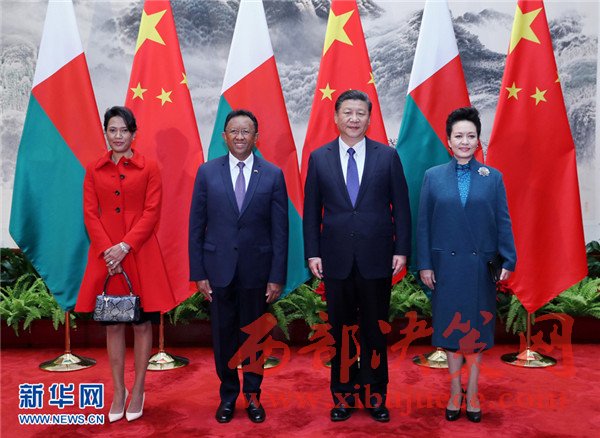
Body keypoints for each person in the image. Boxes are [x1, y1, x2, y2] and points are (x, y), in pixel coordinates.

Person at [303, 90, 411, 423]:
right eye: (348, 112)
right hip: (335, 259)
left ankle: (376, 396)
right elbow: (311, 211)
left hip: (377, 257)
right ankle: (344, 396)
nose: (354, 119)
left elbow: (401, 207)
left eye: (360, 113)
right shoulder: (319, 158)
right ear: (336, 117)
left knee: (374, 331)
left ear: (369, 118)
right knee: (342, 331)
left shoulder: (387, 156)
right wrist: (312, 253)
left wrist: (402, 249)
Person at [75, 106, 176, 422]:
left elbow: (152, 212)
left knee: (142, 323)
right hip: (106, 257)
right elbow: (90, 214)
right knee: (114, 322)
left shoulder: (150, 167)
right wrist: (109, 251)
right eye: (112, 130)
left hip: (139, 253)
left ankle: (139, 388)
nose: (118, 136)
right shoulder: (94, 169)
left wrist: (125, 246)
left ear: (134, 133)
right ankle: (118, 391)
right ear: (106, 132)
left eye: (124, 130)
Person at [416, 106, 516, 423]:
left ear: (478, 140)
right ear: (448, 141)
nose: (464, 141)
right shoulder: (433, 177)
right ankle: (454, 392)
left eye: (470, 136)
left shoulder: (492, 177)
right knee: (451, 334)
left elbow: (503, 221)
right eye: (458, 136)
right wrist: (425, 264)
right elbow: (424, 225)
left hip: (478, 269)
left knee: (474, 334)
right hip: (445, 269)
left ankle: (472, 393)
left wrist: (508, 258)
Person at [189, 109, 288, 424]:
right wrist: (199, 273)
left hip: (257, 272)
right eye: (234, 131)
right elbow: (196, 227)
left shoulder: (272, 174)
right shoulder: (207, 172)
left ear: (256, 137)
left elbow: (280, 231)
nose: (240, 137)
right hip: (218, 270)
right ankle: (228, 396)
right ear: (224, 136)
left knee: (254, 338)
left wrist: (276, 276)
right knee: (224, 338)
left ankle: (254, 396)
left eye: (246, 131)